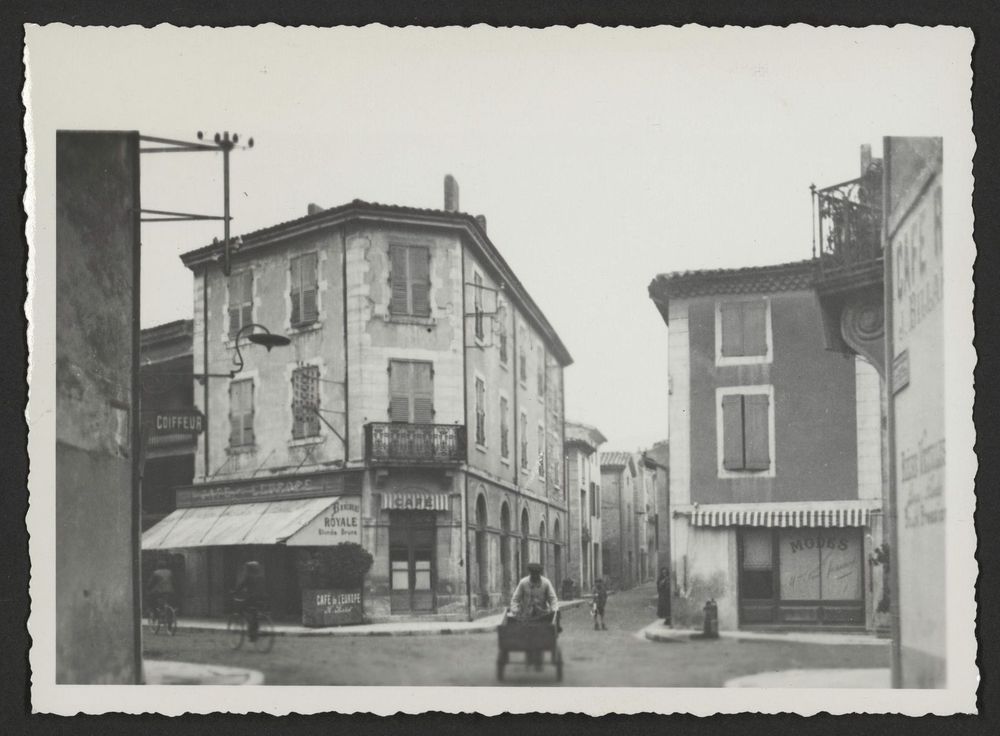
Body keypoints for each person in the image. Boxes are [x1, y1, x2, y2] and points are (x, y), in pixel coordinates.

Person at [509, 562, 559, 670]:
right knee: (528, 637)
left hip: (542, 615)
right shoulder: (523, 583)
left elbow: (553, 598)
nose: (535, 576)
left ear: (539, 574)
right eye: (533, 574)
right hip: (526, 616)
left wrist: (554, 610)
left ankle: (538, 660)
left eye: (537, 574)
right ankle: (529, 657)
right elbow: (515, 599)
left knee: (540, 637)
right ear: (530, 573)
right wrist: (515, 610)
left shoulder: (546, 583)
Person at [234, 560, 268, 641]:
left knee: (242, 609)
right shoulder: (261, 577)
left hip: (252, 598)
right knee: (255, 614)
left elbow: (241, 586)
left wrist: (235, 591)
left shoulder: (248, 577)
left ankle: (251, 631)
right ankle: (254, 629)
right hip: (263, 598)